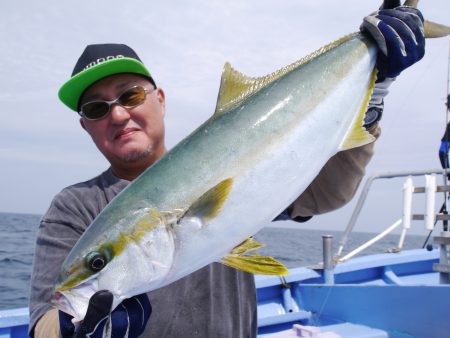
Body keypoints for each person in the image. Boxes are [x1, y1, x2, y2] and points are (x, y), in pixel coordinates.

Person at [29, 3, 426, 338]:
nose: (117, 113)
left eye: (130, 95)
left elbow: (324, 196)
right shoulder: (76, 207)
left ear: (160, 100)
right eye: (96, 108)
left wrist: (373, 94)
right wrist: (70, 328)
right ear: (86, 125)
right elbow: (44, 320)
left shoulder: (227, 153)